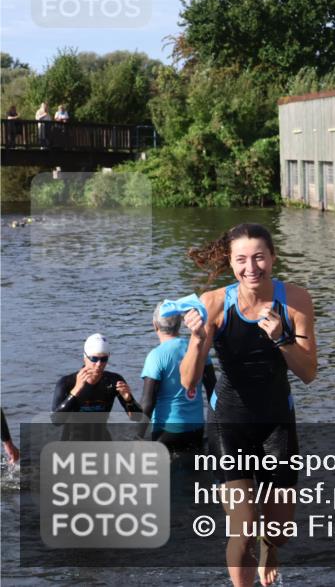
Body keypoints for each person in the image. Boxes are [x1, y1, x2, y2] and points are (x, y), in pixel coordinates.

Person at [180, 223, 317, 587]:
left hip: (276, 424)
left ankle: (270, 549)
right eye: (241, 259)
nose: (251, 267)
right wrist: (196, 340)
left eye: (259, 257)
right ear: (230, 261)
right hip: (229, 424)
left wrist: (282, 340)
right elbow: (189, 381)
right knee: (243, 528)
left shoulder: (296, 301)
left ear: (273, 257)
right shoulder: (213, 303)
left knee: (280, 530)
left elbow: (308, 373)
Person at [140, 301, 216, 454]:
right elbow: (213, 391)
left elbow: (148, 402)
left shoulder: (156, 356)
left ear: (154, 325)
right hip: (196, 429)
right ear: (180, 324)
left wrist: (137, 434)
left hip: (166, 431)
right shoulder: (198, 349)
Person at [51, 333, 143, 441]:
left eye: (103, 359)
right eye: (94, 359)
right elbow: (56, 421)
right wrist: (75, 391)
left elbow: (137, 418)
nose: (99, 364)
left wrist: (129, 399)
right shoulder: (67, 382)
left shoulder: (113, 381)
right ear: (85, 357)